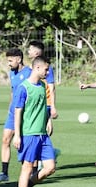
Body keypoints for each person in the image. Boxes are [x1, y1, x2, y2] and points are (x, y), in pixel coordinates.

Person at [12, 56, 56, 187]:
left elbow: (45, 108)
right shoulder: (23, 88)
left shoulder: (43, 86)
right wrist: (17, 135)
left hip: (42, 135)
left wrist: (49, 121)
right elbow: (18, 112)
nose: (47, 72)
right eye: (46, 69)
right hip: (29, 134)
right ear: (37, 68)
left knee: (50, 168)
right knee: (27, 168)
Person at [0, 48, 32, 183]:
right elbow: (12, 91)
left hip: (25, 113)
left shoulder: (29, 73)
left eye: (10, 61)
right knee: (5, 140)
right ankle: (4, 172)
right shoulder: (12, 73)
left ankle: (32, 169)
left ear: (19, 59)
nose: (8, 64)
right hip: (13, 113)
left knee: (24, 143)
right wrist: (10, 107)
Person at [27, 40, 59, 172]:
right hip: (32, 105)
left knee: (43, 133)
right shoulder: (28, 67)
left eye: (29, 49)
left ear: (35, 52)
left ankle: (39, 163)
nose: (28, 52)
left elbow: (51, 88)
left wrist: (52, 107)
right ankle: (40, 161)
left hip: (44, 106)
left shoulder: (46, 68)